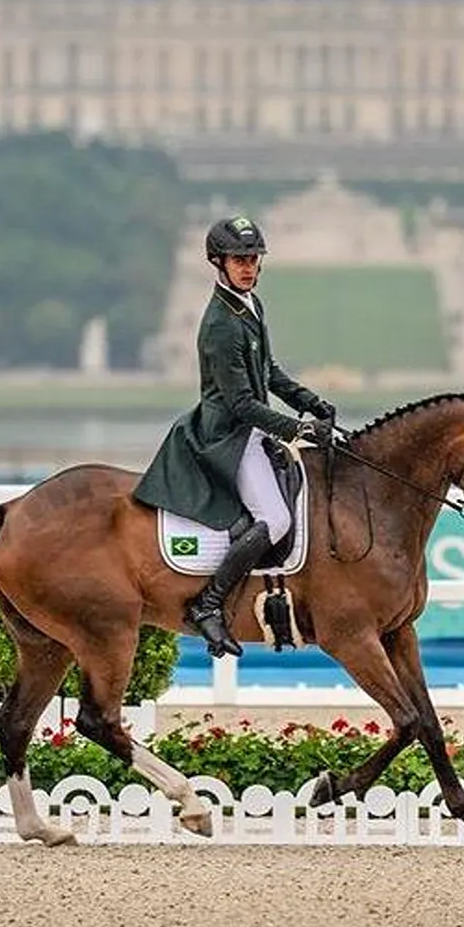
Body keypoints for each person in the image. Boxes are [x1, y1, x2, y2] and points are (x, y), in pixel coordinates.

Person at [131, 214, 337, 659]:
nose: (247, 266)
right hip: (226, 437)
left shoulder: (250, 304)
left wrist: (309, 400)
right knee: (277, 519)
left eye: (253, 258)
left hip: (248, 430)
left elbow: (269, 373)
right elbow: (242, 404)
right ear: (218, 262)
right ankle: (208, 604)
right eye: (238, 259)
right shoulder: (221, 324)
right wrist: (300, 429)